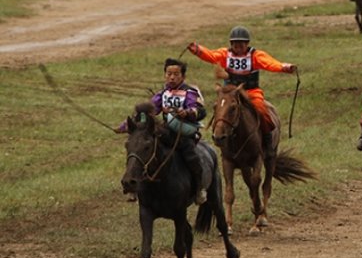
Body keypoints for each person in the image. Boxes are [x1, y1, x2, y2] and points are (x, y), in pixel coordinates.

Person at [186, 26, 297, 157]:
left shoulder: (255, 55)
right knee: (220, 109)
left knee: (261, 110)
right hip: (230, 93)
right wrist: (198, 50)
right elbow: (211, 55)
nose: (238, 47)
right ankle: (218, 136)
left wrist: (283, 67)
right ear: (231, 44)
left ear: (247, 43)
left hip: (251, 91)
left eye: (241, 44)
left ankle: (267, 141)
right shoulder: (225, 54)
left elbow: (269, 63)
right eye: (235, 44)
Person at [115, 58, 208, 205]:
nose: (172, 77)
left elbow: (200, 111)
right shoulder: (162, 94)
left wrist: (187, 112)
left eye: (176, 74)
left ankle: (199, 188)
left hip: (183, 133)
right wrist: (123, 127)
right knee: (141, 150)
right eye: (169, 74)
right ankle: (133, 185)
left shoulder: (190, 93)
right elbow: (148, 112)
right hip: (166, 132)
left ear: (183, 76)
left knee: (191, 156)